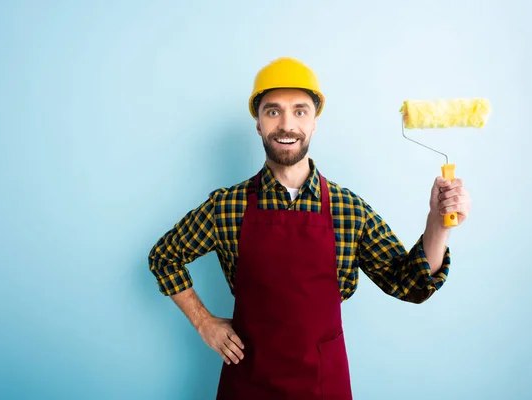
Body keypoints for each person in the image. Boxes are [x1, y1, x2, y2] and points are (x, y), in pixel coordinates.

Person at [148, 57, 471, 399]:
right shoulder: (227, 207)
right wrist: (204, 323)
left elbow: (411, 285)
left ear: (314, 122)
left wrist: (437, 224)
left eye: (300, 111)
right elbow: (163, 258)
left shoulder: (350, 210)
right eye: (273, 111)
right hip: (248, 381)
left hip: (323, 385)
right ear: (258, 123)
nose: (287, 124)